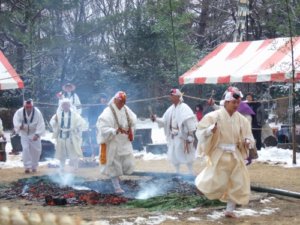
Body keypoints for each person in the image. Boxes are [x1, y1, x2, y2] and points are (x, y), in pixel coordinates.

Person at [195, 87, 254, 218]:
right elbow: (199, 131)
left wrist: (247, 142)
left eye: (238, 103)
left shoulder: (242, 119)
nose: (236, 105)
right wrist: (210, 130)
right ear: (226, 102)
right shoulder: (213, 116)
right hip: (220, 154)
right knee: (217, 181)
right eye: (234, 102)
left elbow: (248, 136)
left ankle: (230, 209)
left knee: (238, 182)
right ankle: (201, 186)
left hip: (235, 155)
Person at [96, 91, 137, 194]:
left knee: (126, 162)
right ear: (115, 100)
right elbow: (103, 128)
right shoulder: (107, 112)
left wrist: (130, 130)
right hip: (112, 141)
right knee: (113, 164)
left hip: (124, 141)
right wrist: (113, 131)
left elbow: (133, 120)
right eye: (119, 101)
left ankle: (118, 178)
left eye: (123, 102)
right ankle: (116, 187)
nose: (121, 104)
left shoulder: (126, 109)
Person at [151, 88, 197, 174]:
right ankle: (177, 171)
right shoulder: (170, 109)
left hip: (182, 136)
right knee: (173, 155)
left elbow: (190, 122)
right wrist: (156, 119)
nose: (170, 97)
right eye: (170, 96)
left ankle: (190, 171)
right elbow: (165, 121)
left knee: (187, 154)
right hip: (173, 136)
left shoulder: (185, 108)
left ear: (178, 97)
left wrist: (191, 135)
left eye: (172, 96)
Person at [50, 98, 88, 171]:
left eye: (66, 105)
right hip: (61, 136)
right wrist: (55, 121)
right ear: (61, 106)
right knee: (61, 152)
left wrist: (76, 129)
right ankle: (62, 167)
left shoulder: (75, 114)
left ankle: (75, 167)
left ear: (69, 105)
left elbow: (82, 124)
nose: (65, 106)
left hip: (71, 136)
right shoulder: (58, 114)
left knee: (73, 152)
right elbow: (53, 123)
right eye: (63, 105)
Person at [13, 99, 45, 173]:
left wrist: (37, 134)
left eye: (30, 107)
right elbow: (16, 120)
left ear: (32, 106)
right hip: (24, 134)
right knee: (25, 149)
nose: (28, 108)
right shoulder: (19, 112)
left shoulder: (37, 112)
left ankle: (34, 167)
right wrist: (18, 126)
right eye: (27, 107)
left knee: (36, 151)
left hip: (34, 133)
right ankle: (27, 167)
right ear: (24, 106)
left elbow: (41, 124)